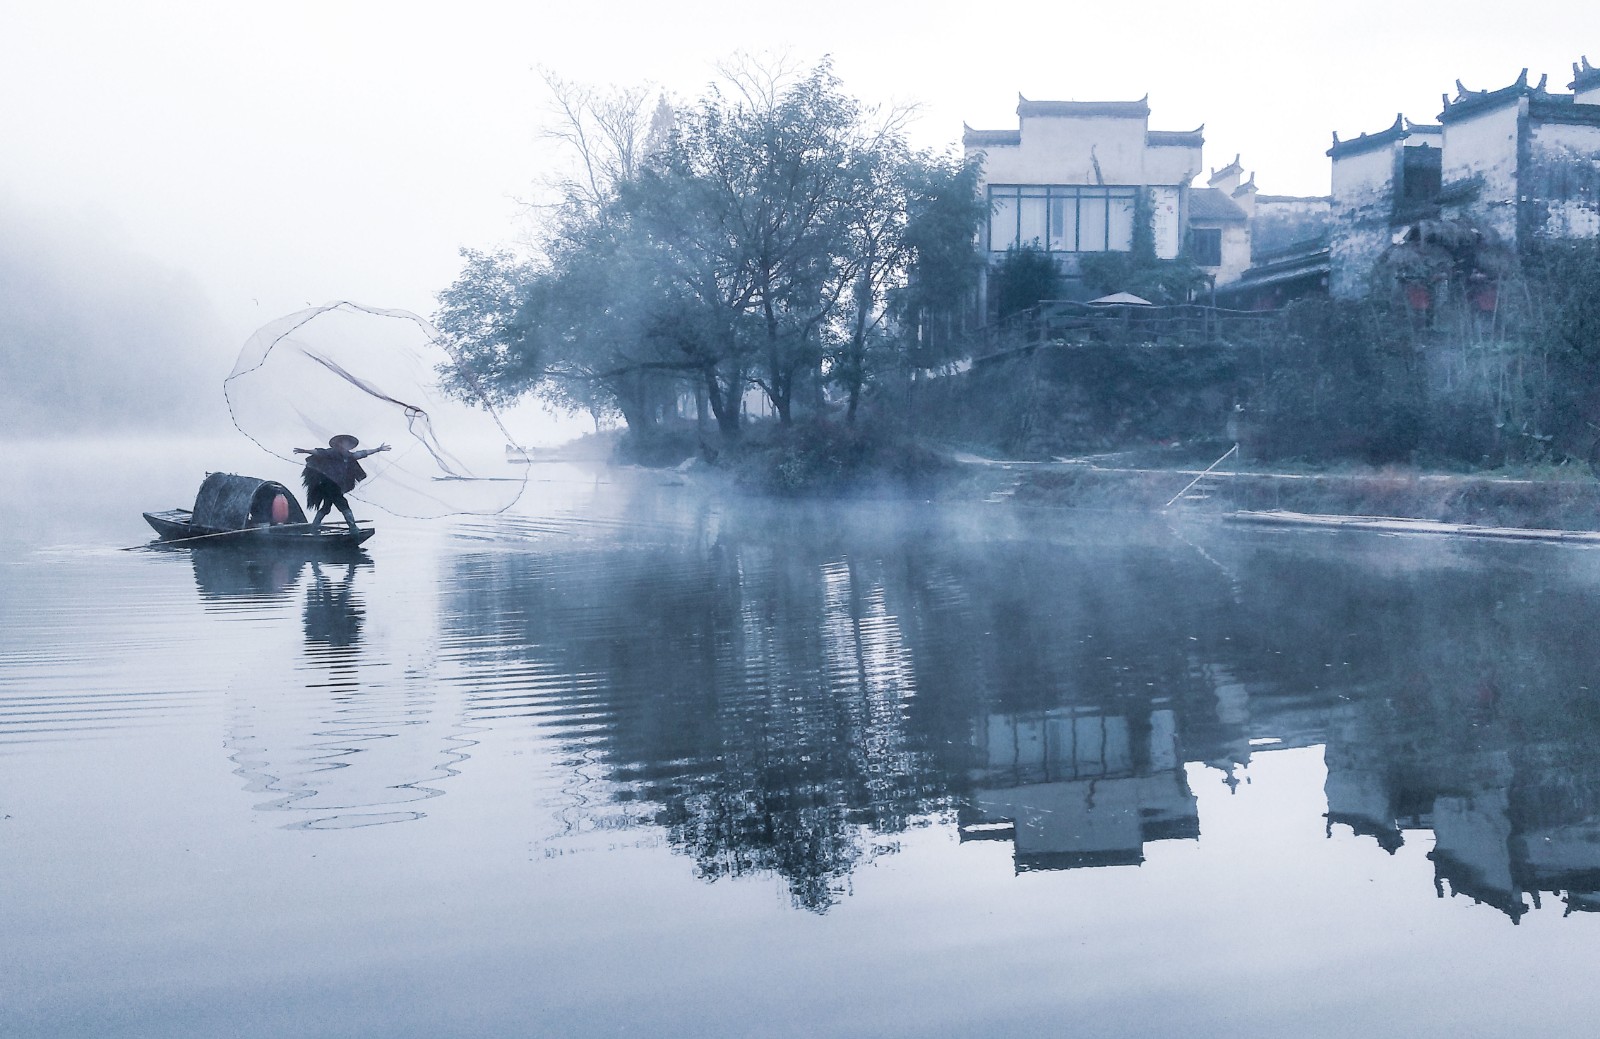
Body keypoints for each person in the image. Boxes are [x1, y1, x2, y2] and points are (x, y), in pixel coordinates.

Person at [293, 434, 390, 530]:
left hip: (336, 485)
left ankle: (315, 526)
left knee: (327, 507)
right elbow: (319, 452)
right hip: (328, 483)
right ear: (339, 443)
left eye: (349, 444)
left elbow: (362, 453)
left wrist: (378, 449)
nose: (348, 445)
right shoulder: (332, 452)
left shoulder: (348, 456)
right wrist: (304, 451)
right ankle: (352, 527)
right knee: (343, 503)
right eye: (346, 443)